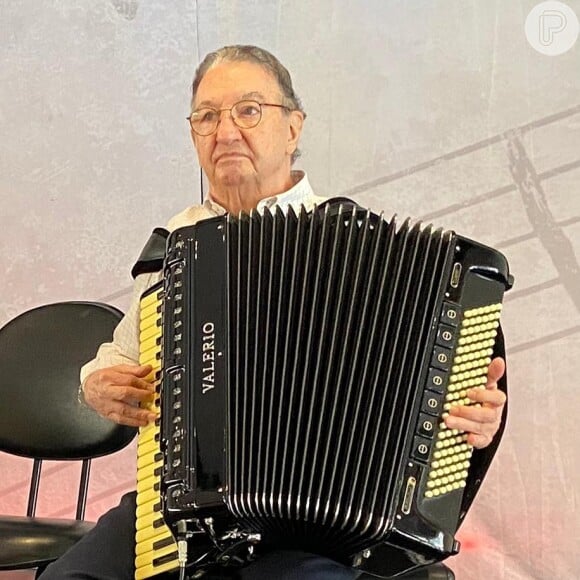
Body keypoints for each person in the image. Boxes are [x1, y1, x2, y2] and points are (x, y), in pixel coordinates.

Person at [40, 45, 508, 580]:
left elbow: (457, 398)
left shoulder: (359, 249)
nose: (226, 131)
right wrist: (97, 384)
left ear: (293, 128)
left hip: (323, 533)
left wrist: (474, 418)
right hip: (178, 516)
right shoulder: (172, 250)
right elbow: (116, 358)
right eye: (207, 116)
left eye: (249, 110)